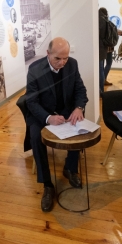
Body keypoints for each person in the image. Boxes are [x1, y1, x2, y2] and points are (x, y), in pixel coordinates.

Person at [25, 38, 88, 212]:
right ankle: (47, 184)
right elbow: (31, 101)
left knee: (78, 128)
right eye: (57, 59)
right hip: (42, 113)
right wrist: (48, 118)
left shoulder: (72, 65)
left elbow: (80, 90)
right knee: (36, 136)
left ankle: (70, 168)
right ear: (48, 53)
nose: (62, 63)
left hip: (66, 110)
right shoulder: (35, 69)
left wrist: (79, 107)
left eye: (65, 58)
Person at [98, 8, 113, 92]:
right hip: (104, 48)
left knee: (100, 70)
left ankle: (100, 89)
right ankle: (101, 88)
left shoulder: (98, 20)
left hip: (100, 48)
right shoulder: (105, 20)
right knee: (101, 69)